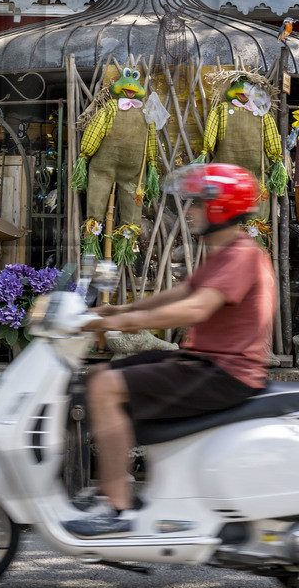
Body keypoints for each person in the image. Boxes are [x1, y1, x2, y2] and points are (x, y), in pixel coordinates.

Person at [66, 163, 276, 537]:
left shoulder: (241, 254)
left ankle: (116, 508)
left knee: (104, 387)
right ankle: (122, 493)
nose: (191, 211)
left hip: (224, 373)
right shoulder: (226, 253)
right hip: (205, 362)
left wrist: (120, 323)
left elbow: (196, 308)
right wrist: (118, 310)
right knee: (101, 376)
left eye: (197, 204)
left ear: (221, 208)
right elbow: (180, 293)